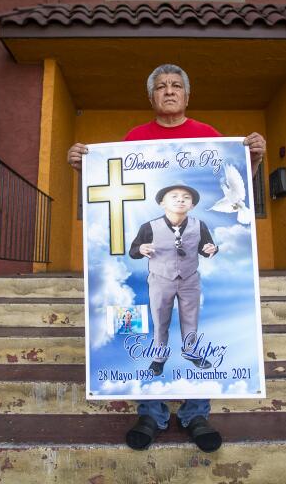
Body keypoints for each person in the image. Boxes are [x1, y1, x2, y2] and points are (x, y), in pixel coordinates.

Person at [68, 63, 266, 453]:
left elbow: (238, 189)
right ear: (152, 97)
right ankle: (152, 413)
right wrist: (82, 166)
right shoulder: (135, 140)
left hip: (190, 278)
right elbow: (106, 186)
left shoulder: (209, 136)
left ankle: (196, 414)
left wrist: (254, 161)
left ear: (187, 95)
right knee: (155, 327)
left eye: (176, 86)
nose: (170, 91)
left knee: (191, 324)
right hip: (157, 279)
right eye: (162, 86)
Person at [129, 183, 218, 376]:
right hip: (161, 280)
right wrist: (140, 249)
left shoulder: (199, 225)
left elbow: (207, 247)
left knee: (190, 319)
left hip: (190, 280)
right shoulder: (149, 227)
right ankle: (158, 358)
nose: (180, 200)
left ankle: (192, 352)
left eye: (186, 197)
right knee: (160, 321)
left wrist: (212, 249)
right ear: (162, 203)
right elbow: (133, 251)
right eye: (174, 196)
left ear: (192, 205)